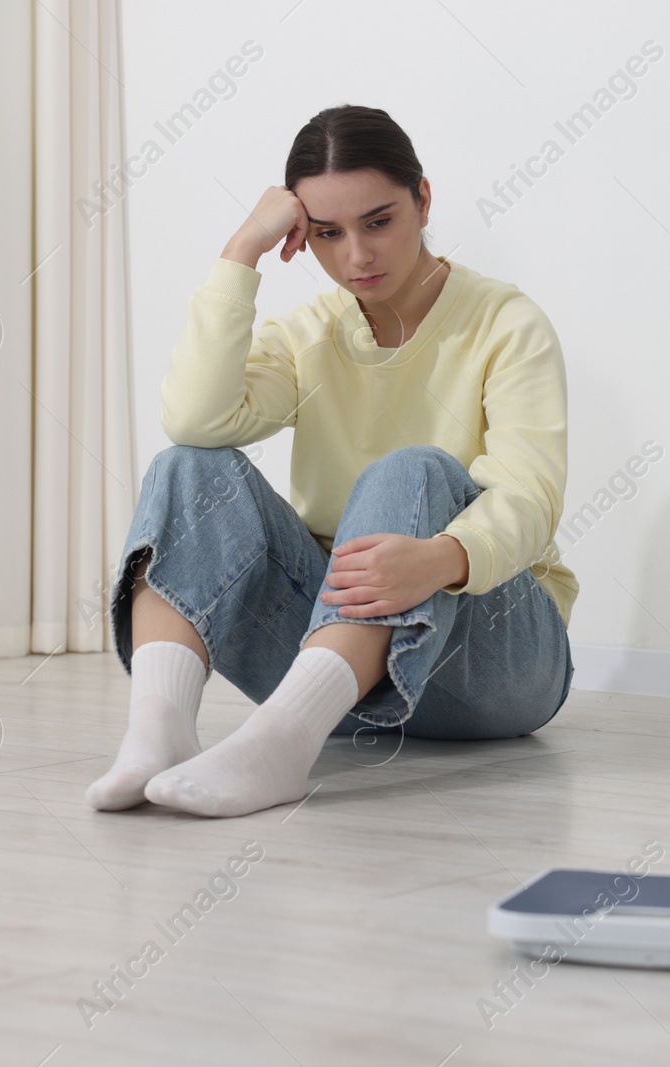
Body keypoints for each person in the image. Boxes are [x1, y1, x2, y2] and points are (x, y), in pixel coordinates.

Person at [85, 105, 578, 819]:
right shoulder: (307, 336)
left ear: (423, 200)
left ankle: (281, 744)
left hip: (495, 659)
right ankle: (157, 731)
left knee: (413, 471)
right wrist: (240, 252)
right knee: (186, 465)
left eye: (378, 221)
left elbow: (531, 499)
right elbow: (195, 418)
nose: (357, 256)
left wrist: (440, 558)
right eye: (327, 233)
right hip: (341, 670)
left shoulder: (507, 323)